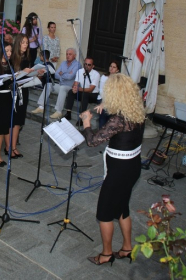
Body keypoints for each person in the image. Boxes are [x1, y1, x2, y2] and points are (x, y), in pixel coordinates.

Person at [80, 73, 145, 267]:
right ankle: (126, 248)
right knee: (122, 209)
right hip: (132, 168)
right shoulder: (137, 113)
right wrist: (105, 108)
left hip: (119, 171)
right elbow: (119, 124)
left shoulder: (117, 120)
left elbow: (93, 141)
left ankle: (106, 254)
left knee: (105, 213)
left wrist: (86, 122)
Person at [31, 48, 80, 119]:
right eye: (67, 54)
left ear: (74, 56)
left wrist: (62, 74)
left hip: (69, 87)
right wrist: (64, 75)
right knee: (49, 84)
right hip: (61, 84)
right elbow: (55, 74)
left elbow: (70, 77)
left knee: (63, 88)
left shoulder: (77, 65)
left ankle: (58, 111)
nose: (68, 56)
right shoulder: (63, 63)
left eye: (70, 54)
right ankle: (41, 107)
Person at [8, 34, 33, 157]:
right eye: (23, 42)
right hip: (13, 92)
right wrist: (23, 72)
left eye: (27, 43)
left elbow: (27, 75)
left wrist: (36, 73)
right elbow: (9, 76)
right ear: (18, 43)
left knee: (19, 120)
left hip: (24, 90)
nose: (25, 45)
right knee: (12, 120)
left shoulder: (26, 58)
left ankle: (13, 147)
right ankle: (8, 147)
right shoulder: (12, 57)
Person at [64, 57, 100, 124]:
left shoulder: (96, 74)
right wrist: (74, 88)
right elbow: (75, 83)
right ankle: (68, 113)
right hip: (83, 91)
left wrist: (78, 89)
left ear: (93, 66)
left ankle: (82, 117)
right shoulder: (80, 71)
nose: (86, 66)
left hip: (93, 94)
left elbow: (90, 89)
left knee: (85, 94)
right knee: (70, 92)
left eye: (89, 65)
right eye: (85, 64)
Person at [0, 43, 12, 164]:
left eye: (10, 51)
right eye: (7, 51)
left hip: (7, 97)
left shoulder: (9, 64)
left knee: (3, 128)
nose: (9, 53)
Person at [97, 61, 121, 128]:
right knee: (104, 110)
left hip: (113, 100)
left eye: (114, 67)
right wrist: (107, 100)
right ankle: (101, 131)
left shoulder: (118, 80)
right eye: (110, 66)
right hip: (103, 99)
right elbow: (101, 91)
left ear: (117, 70)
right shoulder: (104, 77)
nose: (111, 68)